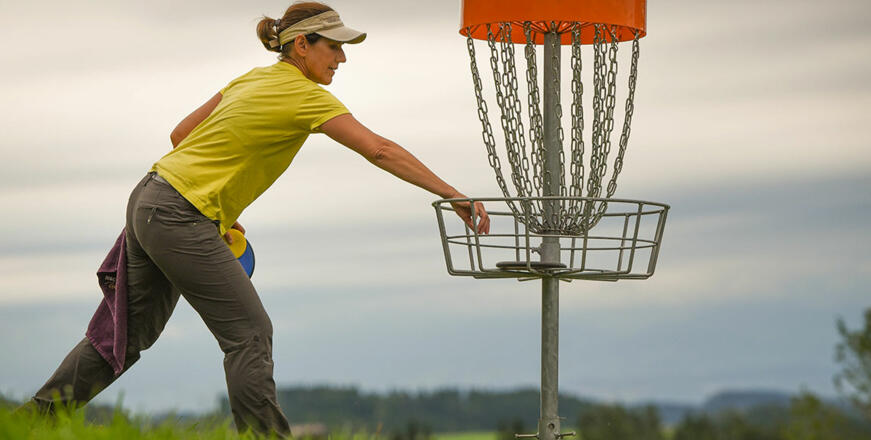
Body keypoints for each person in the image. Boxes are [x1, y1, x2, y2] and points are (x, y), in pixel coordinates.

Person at [25, 2, 489, 437]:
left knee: (127, 338)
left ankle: (32, 421)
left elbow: (181, 133)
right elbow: (380, 150)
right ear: (301, 46)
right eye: (334, 46)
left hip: (150, 197)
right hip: (177, 213)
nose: (342, 58)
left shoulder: (250, 79)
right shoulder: (308, 98)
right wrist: (452, 193)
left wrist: (218, 207)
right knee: (249, 333)